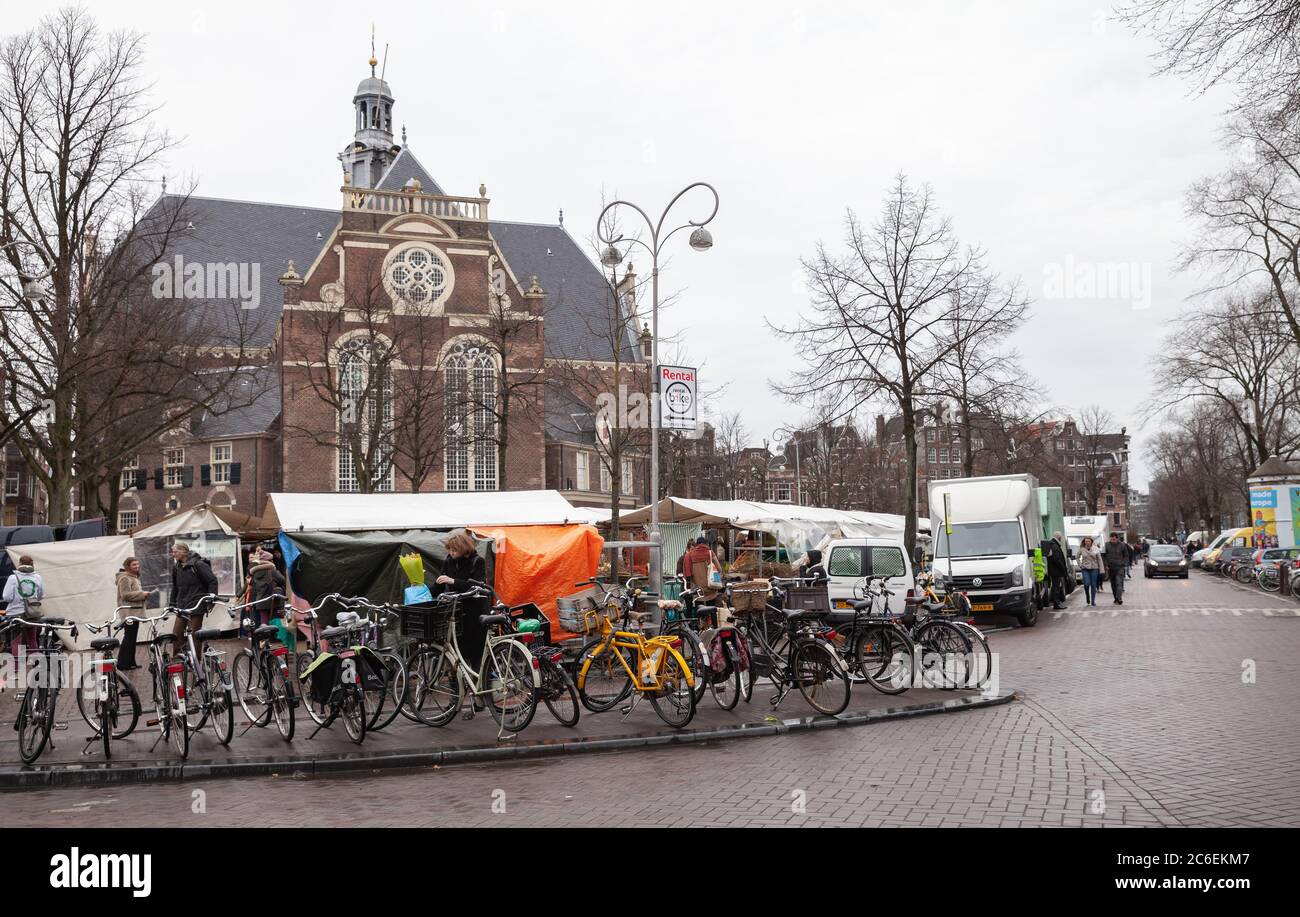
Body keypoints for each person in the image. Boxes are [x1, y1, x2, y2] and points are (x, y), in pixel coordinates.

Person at [435, 529, 489, 682]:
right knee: (455, 655)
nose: (451, 553)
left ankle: (481, 694)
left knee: (477, 655)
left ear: (463, 548)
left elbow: (476, 587)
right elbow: (439, 585)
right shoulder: (448, 561)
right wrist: (420, 589)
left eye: (454, 549)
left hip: (475, 614)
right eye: (450, 550)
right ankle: (456, 697)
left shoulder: (477, 561)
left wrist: (453, 581)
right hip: (456, 614)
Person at [169, 542, 218, 650]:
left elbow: (212, 581)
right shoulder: (176, 567)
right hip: (182, 605)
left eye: (175, 552)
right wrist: (172, 603)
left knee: (195, 634)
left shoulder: (198, 564)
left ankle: (196, 661)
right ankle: (179, 660)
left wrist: (211, 600)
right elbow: (175, 586)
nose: (173, 554)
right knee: (176, 633)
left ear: (183, 552)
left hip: (197, 604)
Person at [114, 557, 152, 670]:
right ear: (128, 566)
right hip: (129, 612)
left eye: (137, 564)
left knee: (132, 637)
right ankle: (122, 664)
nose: (136, 566)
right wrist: (142, 594)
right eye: (134, 565)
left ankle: (130, 662)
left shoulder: (133, 577)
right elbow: (125, 594)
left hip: (134, 611)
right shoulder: (125, 578)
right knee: (129, 637)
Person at [2, 555, 43, 656]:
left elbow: (6, 597)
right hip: (31, 613)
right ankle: (36, 662)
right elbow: (41, 595)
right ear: (32, 564)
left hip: (15, 613)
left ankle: (17, 667)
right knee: (32, 639)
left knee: (16, 641)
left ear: (20, 563)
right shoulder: (37, 577)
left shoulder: (13, 578)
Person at [245, 544, 285, 627]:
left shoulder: (255, 572)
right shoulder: (271, 570)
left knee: (263, 623)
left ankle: (263, 639)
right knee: (275, 624)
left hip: (260, 601)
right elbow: (282, 580)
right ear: (269, 561)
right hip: (272, 601)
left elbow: (252, 584)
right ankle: (272, 638)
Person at [1077, 536, 1104, 606]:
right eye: (1086, 541)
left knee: (1093, 584)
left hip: (1094, 568)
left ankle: (1093, 601)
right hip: (1085, 568)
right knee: (1086, 584)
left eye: (1088, 541)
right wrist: (1080, 565)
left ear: (1091, 542)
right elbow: (1077, 557)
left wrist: (1101, 569)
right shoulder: (1082, 549)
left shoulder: (1095, 549)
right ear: (1084, 542)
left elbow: (1099, 559)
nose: (1087, 543)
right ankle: (1087, 596)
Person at [1046, 532, 1070, 610]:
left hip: (1054, 571)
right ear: (1059, 538)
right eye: (1061, 538)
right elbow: (1057, 560)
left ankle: (1057, 603)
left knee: (1056, 587)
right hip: (1056, 571)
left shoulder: (1052, 544)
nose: (1061, 539)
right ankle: (1057, 604)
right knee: (1056, 587)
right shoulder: (1055, 546)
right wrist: (1063, 569)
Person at [1103, 533, 1127, 605]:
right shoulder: (1106, 545)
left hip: (1120, 567)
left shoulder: (1122, 545)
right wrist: (1106, 564)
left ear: (1117, 538)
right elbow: (1103, 556)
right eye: (1111, 539)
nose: (1112, 540)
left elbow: (1126, 555)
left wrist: (1124, 563)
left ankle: (1119, 598)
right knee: (1113, 584)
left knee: (1119, 583)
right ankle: (1116, 598)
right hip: (1111, 567)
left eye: (1114, 539)